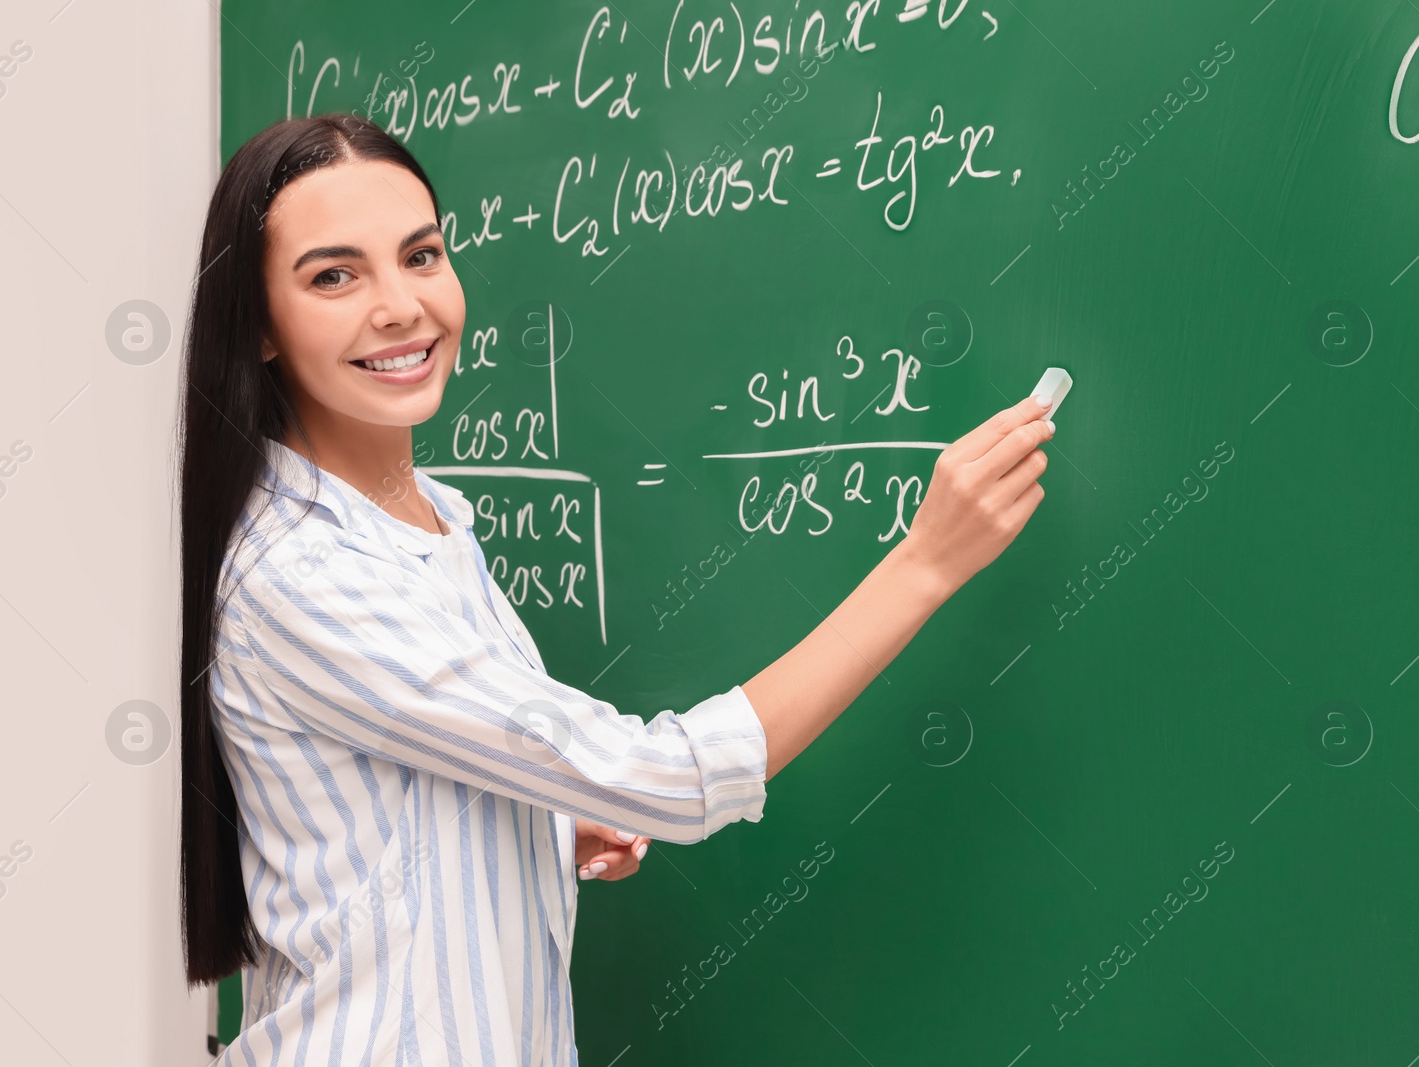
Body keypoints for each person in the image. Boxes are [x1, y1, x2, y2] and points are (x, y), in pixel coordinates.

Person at [177, 112, 1054, 1066]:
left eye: (421, 255)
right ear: (259, 324)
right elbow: (666, 779)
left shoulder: (429, 517)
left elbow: (397, 787)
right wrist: (925, 562)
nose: (399, 306)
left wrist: (544, 812)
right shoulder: (308, 576)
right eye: (334, 276)